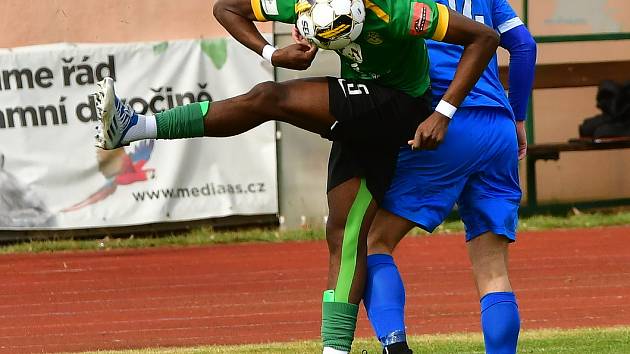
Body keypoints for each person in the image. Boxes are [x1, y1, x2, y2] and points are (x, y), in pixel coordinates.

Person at [94, 0, 501, 352]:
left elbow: (484, 38)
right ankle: (334, 349)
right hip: (362, 106)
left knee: (270, 98)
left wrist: (442, 113)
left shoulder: (400, 11)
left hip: (400, 106)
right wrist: (271, 53)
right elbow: (226, 8)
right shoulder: (303, 3)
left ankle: (134, 127)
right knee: (346, 233)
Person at [362, 0, 537, 353]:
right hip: (498, 129)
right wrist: (518, 118)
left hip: (443, 122)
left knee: (371, 242)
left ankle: (395, 345)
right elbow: (524, 46)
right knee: (492, 270)